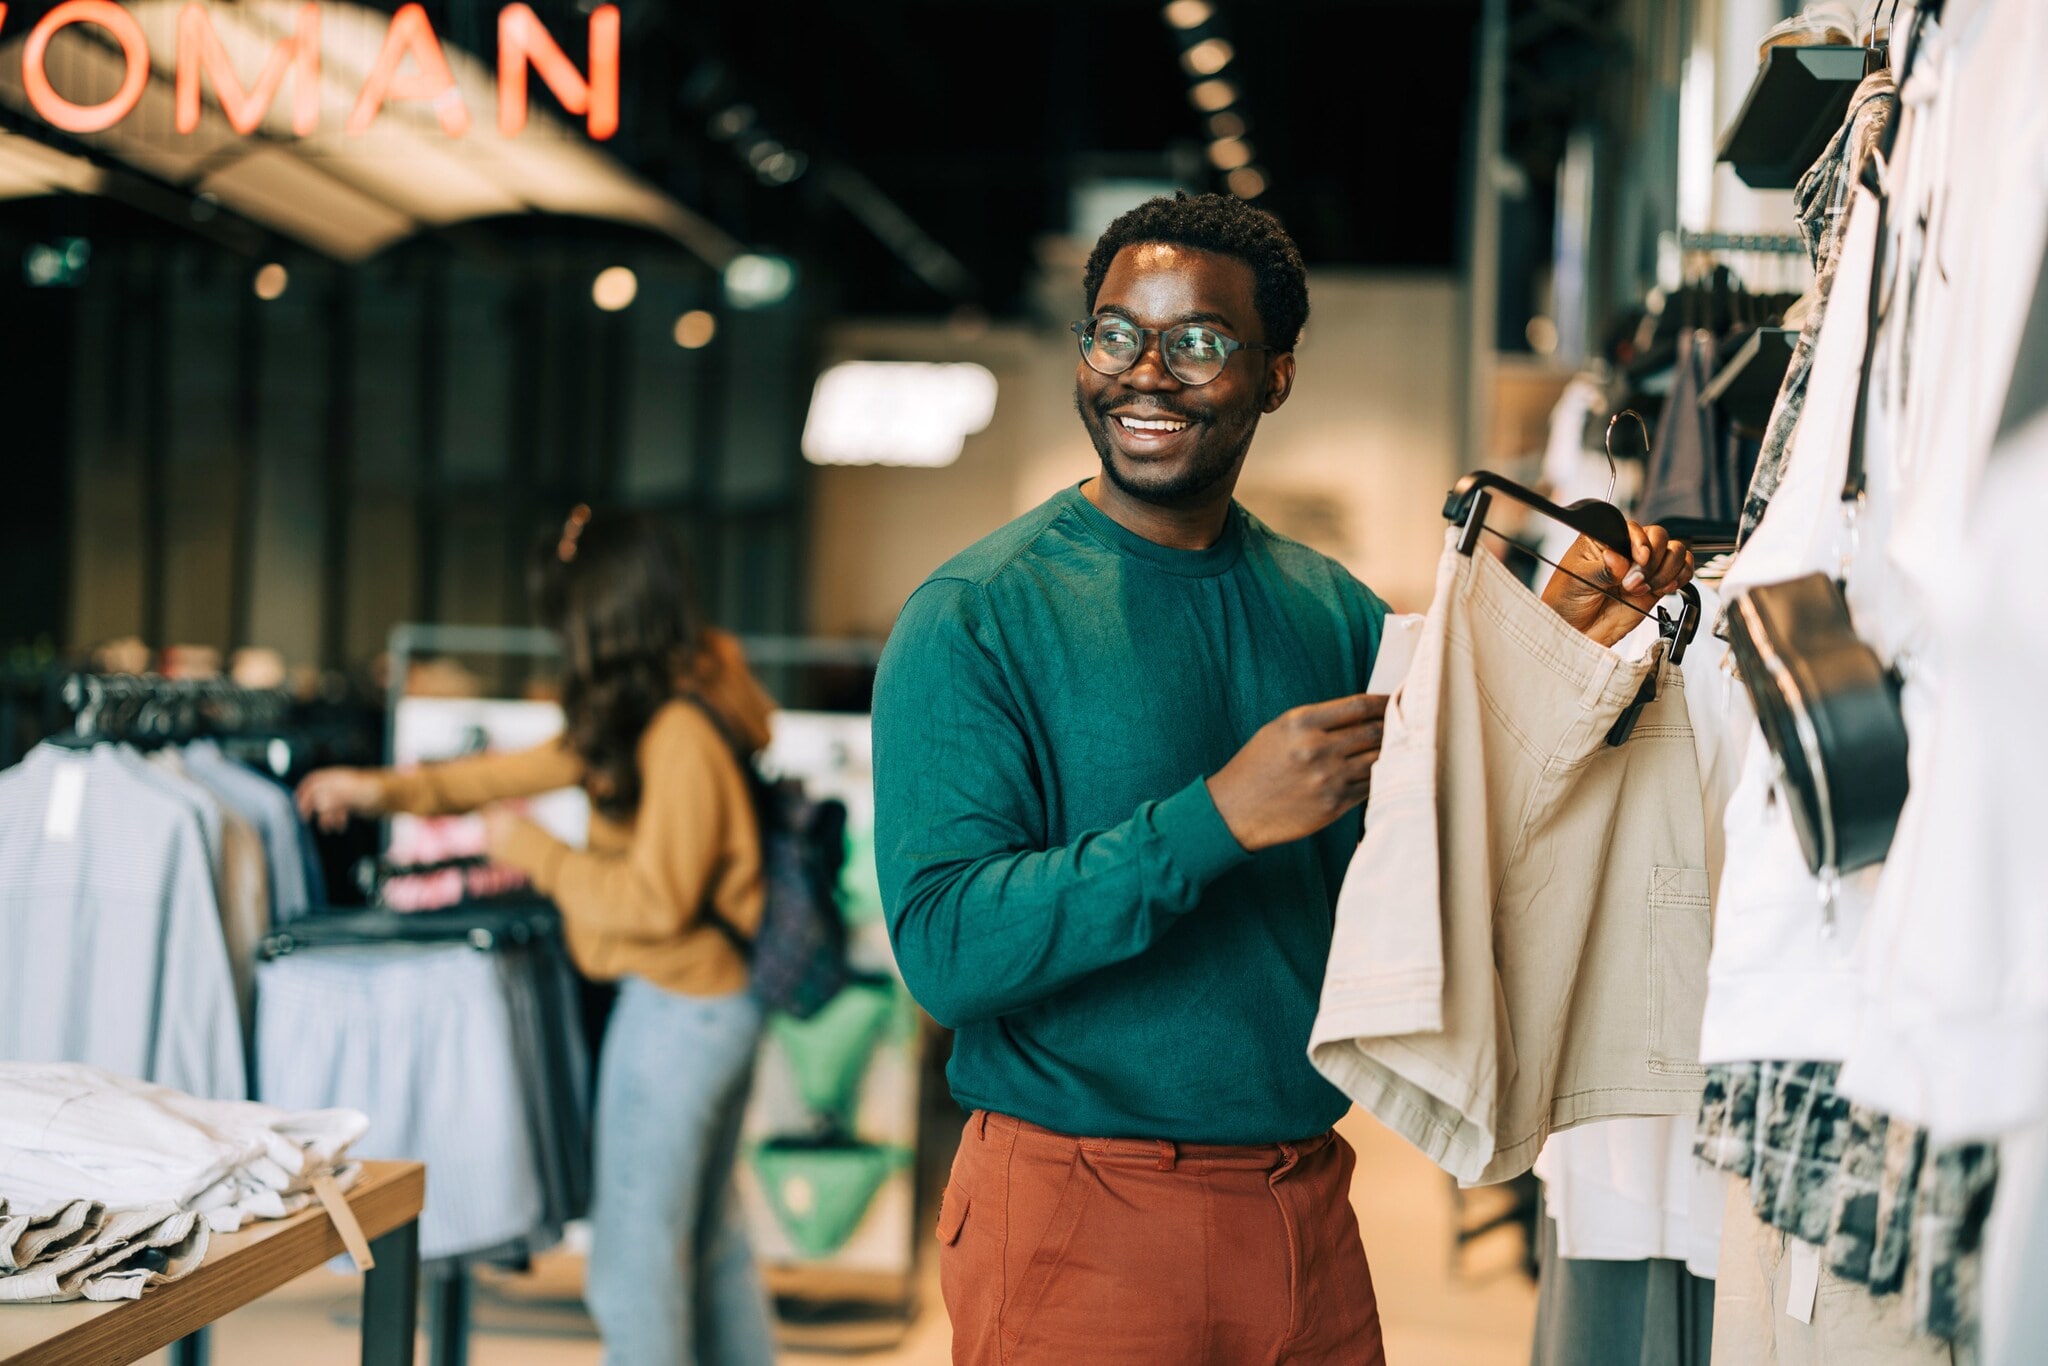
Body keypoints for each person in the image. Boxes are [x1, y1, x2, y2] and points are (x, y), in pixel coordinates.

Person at [871, 193, 1694, 1365]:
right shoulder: (976, 618)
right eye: (1114, 334)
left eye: (1198, 342)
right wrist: (1214, 819)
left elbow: (1440, 851)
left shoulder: (1330, 609)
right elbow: (947, 950)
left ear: (1276, 374)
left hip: (1302, 1206)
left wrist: (1559, 643)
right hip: (1076, 1209)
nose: (1144, 373)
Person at [296, 509, 780, 1366]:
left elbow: (655, 903)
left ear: (601, 618)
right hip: (701, 1006)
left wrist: (528, 846)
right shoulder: (655, 710)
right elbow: (506, 771)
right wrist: (374, 791)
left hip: (681, 1009)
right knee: (707, 1250)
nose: (559, 634)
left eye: (565, 615)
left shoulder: (677, 734)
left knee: (630, 1273)